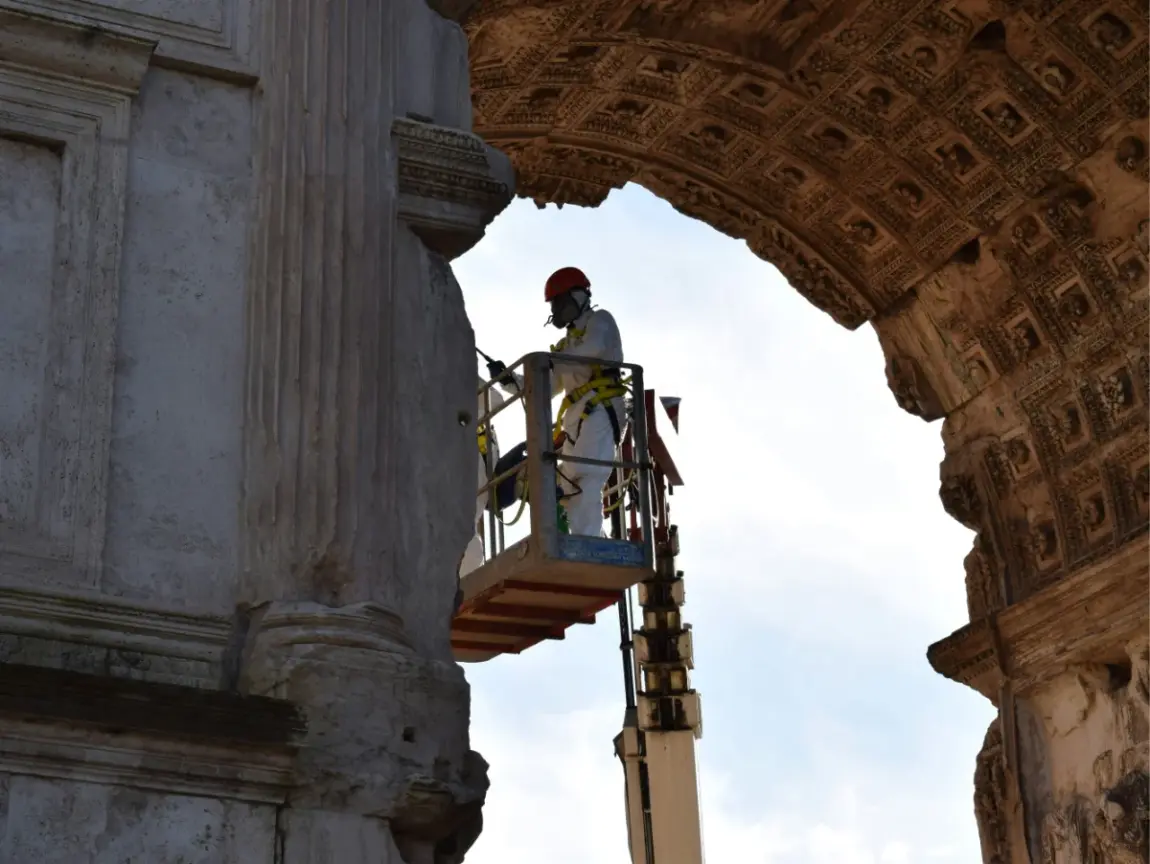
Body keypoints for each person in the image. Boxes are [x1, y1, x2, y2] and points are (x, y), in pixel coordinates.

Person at [486, 266, 625, 538]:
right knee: (569, 483)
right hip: (578, 418)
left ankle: (588, 543)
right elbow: (545, 387)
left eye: (559, 302)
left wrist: (551, 361)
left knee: (585, 475)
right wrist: (509, 380)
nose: (556, 309)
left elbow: (592, 349)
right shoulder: (565, 347)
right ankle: (591, 539)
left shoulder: (600, 321)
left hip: (602, 410)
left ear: (577, 296)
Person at [459, 376, 504, 578]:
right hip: (462, 451)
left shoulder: (460, 375)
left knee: (466, 519)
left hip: (470, 451)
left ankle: (466, 579)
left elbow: (495, 400)